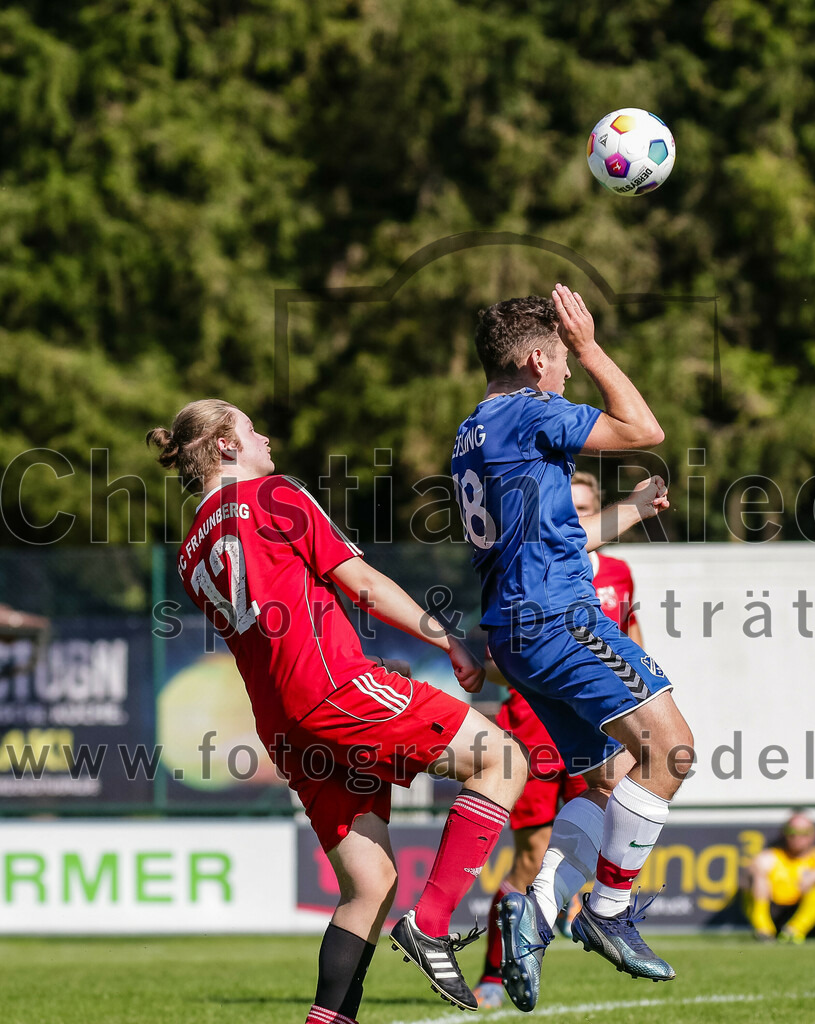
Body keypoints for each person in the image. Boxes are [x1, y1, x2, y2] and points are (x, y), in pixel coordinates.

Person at [147, 400, 527, 1022]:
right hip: (335, 691)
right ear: (223, 446)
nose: (264, 436)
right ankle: (431, 925)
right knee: (504, 759)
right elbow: (365, 584)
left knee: (370, 886)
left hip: (283, 726)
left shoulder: (191, 550)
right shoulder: (274, 495)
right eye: (249, 428)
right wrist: (447, 639)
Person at [451, 285, 693, 1012]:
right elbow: (642, 426)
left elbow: (551, 529)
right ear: (535, 360)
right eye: (559, 364)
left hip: (516, 634)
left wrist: (623, 509)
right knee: (672, 751)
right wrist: (590, 347)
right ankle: (610, 911)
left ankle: (538, 915)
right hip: (559, 617)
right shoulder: (532, 408)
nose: (565, 377)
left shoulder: (474, 429)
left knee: (606, 780)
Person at [472, 471, 645, 1009]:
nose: (580, 519)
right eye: (571, 509)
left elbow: (635, 646)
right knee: (529, 856)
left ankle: (575, 914)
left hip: (602, 726)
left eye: (589, 509)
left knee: (600, 821)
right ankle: (496, 974)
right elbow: (491, 664)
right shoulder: (527, 567)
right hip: (534, 726)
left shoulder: (618, 573)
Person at [744, 810, 815, 943]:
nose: (797, 837)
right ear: (784, 833)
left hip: (804, 916)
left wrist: (814, 876)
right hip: (775, 912)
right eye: (792, 832)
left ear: (813, 834)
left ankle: (795, 931)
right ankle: (764, 931)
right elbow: (754, 868)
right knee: (755, 877)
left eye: (804, 832)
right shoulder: (771, 857)